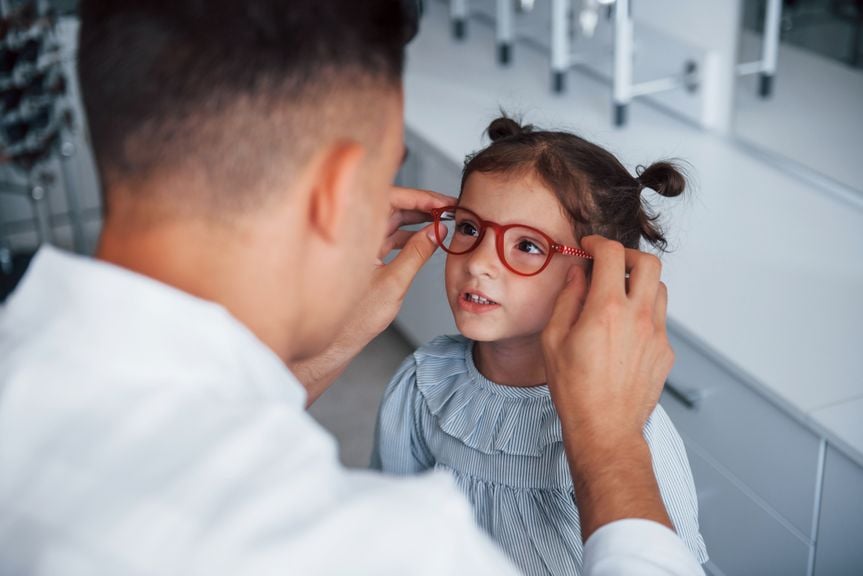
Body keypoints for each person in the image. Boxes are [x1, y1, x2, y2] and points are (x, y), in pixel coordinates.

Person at [0, 1, 704, 575]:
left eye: (523, 246)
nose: (482, 261)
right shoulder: (390, 544)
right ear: (338, 192)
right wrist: (611, 451)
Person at [372, 116, 708, 575]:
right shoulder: (424, 383)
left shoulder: (629, 428)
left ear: (595, 275)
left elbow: (660, 554)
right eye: (469, 228)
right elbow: (388, 521)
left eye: (528, 245)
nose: (480, 264)